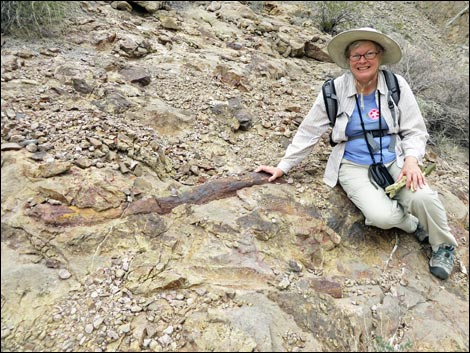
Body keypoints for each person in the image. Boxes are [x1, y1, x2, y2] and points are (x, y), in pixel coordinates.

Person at [255, 27, 458, 280]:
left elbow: (415, 130)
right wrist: (283, 166)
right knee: (381, 216)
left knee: (424, 198)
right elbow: (309, 131)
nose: (363, 61)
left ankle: (444, 246)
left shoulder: (396, 85)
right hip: (352, 163)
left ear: (380, 55)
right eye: (356, 56)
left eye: (369, 53)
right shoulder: (334, 91)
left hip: (393, 156)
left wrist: (411, 160)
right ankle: (413, 224)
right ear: (349, 60)